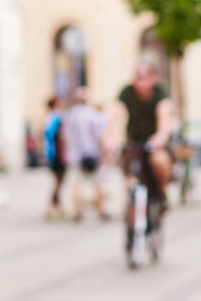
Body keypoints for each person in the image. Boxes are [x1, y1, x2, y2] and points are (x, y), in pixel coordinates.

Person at [112, 64, 173, 203]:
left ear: (153, 79)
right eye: (138, 77)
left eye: (144, 78)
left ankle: (162, 193)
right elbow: (116, 115)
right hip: (133, 141)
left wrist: (161, 136)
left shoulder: (160, 93)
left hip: (153, 142)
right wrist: (111, 138)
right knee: (125, 162)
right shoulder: (127, 92)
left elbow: (164, 115)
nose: (140, 82)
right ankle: (132, 200)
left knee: (159, 160)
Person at [63, 87, 110, 221]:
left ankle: (77, 211)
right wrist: (104, 152)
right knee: (98, 182)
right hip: (91, 152)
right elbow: (99, 135)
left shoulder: (68, 115)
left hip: (74, 154)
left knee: (76, 182)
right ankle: (102, 209)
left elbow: (64, 136)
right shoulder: (92, 114)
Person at [43, 96, 67, 220]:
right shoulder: (57, 117)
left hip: (52, 152)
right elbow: (58, 136)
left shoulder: (50, 117)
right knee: (59, 180)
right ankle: (52, 205)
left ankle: (57, 205)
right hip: (57, 153)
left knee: (58, 180)